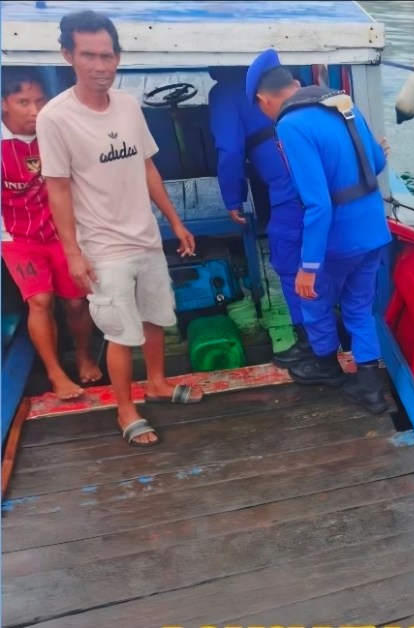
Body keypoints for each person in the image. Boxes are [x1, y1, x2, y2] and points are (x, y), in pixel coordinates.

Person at [37, 10, 204, 447]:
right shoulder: (55, 118)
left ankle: (158, 384)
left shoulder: (128, 104)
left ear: (118, 56)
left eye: (107, 55)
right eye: (88, 55)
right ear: (67, 55)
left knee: (155, 316)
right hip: (103, 247)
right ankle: (126, 409)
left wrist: (174, 220)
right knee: (119, 331)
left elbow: (147, 166)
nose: (100, 65)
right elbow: (58, 190)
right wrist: (73, 253)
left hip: (145, 236)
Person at [247, 48, 391, 414]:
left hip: (338, 240)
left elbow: (318, 204)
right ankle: (370, 387)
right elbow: (376, 162)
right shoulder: (343, 104)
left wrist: (308, 267)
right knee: (359, 307)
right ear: (295, 84)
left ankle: (326, 366)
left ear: (263, 100)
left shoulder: (291, 125)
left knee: (313, 299)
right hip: (373, 230)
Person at [1, 67, 102, 400]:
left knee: (76, 300)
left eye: (41, 100)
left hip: (62, 233)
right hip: (18, 238)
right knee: (40, 300)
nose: (35, 110)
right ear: (4, 103)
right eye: (23, 102)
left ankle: (84, 356)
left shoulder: (56, 130)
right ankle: (56, 373)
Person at [208, 67, 315, 368]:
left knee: (291, 268)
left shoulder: (224, 93)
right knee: (321, 260)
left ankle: (309, 345)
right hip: (325, 184)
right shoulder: (285, 79)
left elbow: (230, 150)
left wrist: (233, 198)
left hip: (288, 193)